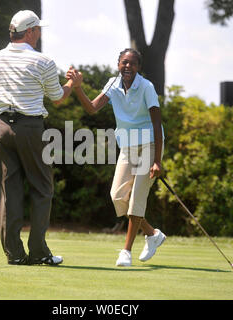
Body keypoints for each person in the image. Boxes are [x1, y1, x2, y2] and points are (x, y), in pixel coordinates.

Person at [0, 10, 81, 265]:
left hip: (2, 127)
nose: (39, 34)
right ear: (31, 32)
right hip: (31, 128)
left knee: (8, 191)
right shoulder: (43, 61)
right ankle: (38, 252)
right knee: (42, 188)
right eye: (38, 30)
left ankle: (14, 254)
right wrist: (74, 84)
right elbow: (58, 98)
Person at [67, 48, 166, 266]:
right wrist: (78, 88)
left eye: (132, 63)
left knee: (137, 198)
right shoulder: (113, 84)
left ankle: (126, 251)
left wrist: (157, 160)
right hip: (127, 146)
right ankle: (152, 233)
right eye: (124, 63)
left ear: (138, 67)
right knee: (117, 196)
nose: (127, 66)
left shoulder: (147, 87)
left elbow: (157, 124)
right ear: (118, 64)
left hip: (149, 144)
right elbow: (93, 108)